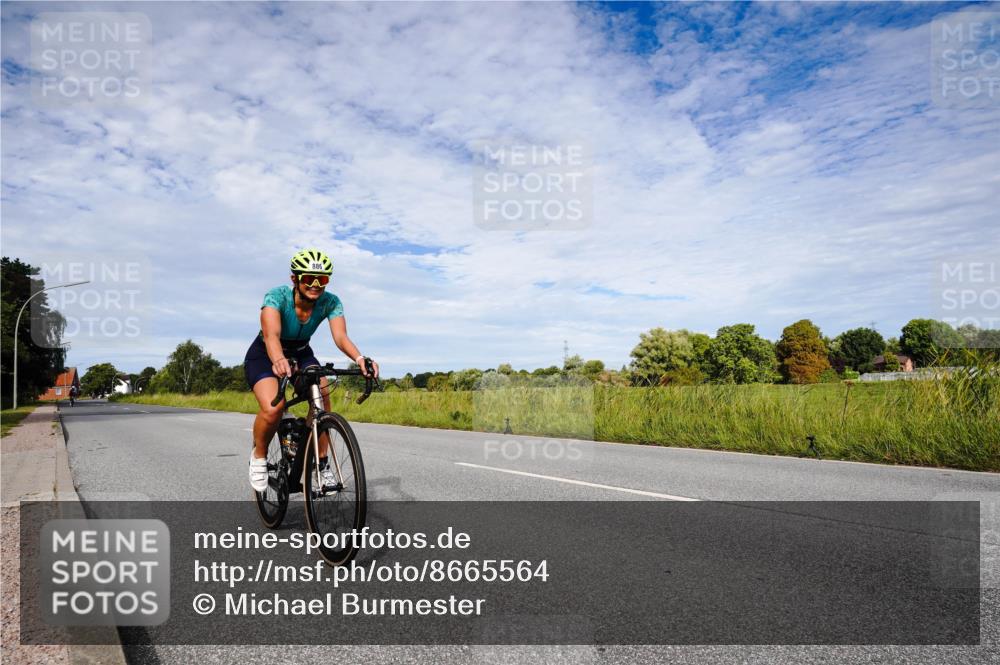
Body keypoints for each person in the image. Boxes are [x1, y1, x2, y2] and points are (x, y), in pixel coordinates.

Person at [243, 249, 378, 492]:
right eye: (309, 278)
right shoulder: (276, 297)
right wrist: (278, 359)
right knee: (273, 408)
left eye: (323, 280)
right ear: (295, 278)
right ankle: (259, 456)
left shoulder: (331, 302)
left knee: (322, 397)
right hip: (265, 353)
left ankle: (321, 464)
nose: (316, 285)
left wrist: (359, 358)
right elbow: (271, 336)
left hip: (302, 352)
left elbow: (340, 336)